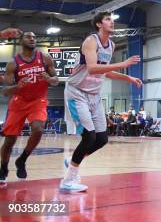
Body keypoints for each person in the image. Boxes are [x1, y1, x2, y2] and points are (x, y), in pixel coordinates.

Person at [61, 11, 142, 192]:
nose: (111, 22)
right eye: (107, 19)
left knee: (102, 139)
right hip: (77, 93)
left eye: (112, 19)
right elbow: (92, 68)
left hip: (94, 96)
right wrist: (122, 64)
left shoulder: (111, 45)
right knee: (89, 136)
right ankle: (68, 180)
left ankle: (73, 160)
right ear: (99, 24)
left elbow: (106, 71)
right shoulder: (91, 41)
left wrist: (128, 78)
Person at [0, 32, 59, 185]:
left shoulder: (45, 58)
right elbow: (5, 90)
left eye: (34, 37)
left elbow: (56, 81)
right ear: (21, 41)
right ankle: (3, 167)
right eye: (28, 37)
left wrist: (49, 78)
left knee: (38, 128)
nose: (32, 39)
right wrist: (17, 86)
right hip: (18, 103)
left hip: (38, 101)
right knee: (9, 141)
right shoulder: (13, 63)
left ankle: (22, 160)